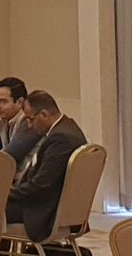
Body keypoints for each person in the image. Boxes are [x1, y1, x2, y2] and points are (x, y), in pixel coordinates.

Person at [6, 91, 88, 241]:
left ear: (43, 114)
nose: (29, 125)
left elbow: (40, 185)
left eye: (30, 119)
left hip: (45, 213)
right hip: (53, 206)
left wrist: (4, 192)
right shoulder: (69, 128)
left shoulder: (61, 139)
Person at [0, 76, 39, 166]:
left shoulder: (29, 122)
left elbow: (9, 157)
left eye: (3, 102)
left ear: (20, 102)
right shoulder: (4, 122)